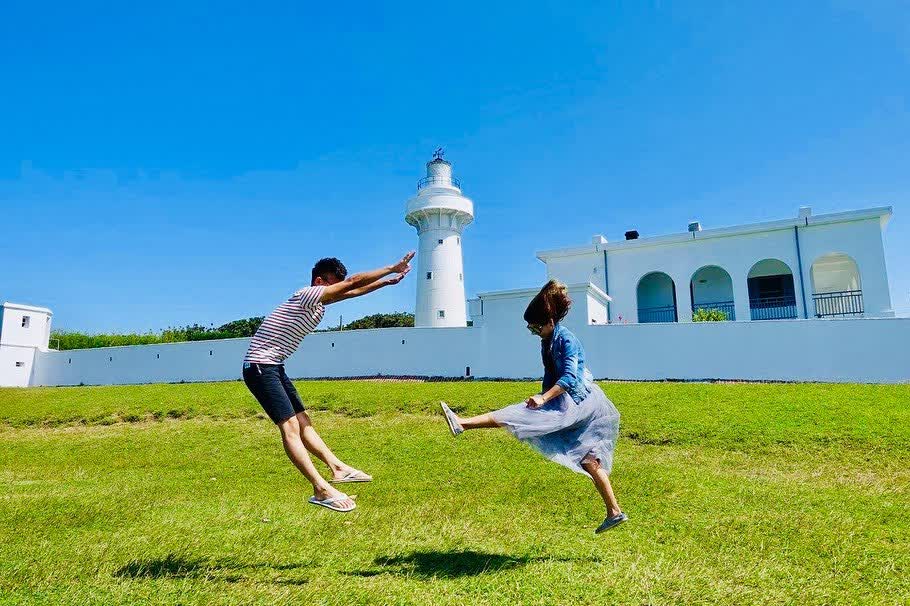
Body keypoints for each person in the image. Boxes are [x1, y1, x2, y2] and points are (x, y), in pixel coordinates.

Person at [440, 280, 627, 533]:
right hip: (567, 401)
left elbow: (570, 378)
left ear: (550, 321)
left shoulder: (567, 340)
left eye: (537, 327)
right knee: (589, 461)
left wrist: (543, 399)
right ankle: (614, 512)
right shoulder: (547, 340)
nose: (535, 332)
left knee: (520, 415)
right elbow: (551, 373)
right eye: (531, 329)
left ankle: (462, 423)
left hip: (580, 403)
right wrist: (543, 396)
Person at [243, 252, 414, 513]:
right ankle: (320, 489)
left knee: (303, 422)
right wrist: (391, 268)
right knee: (289, 427)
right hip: (259, 366)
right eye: (334, 283)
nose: (337, 288)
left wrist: (384, 283)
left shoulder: (319, 304)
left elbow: (352, 291)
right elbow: (351, 284)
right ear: (320, 281)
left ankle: (338, 469)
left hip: (274, 366)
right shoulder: (306, 294)